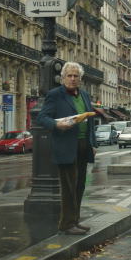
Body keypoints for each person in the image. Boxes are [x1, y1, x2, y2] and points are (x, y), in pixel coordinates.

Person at [37, 61, 98, 235]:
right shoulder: (55, 95)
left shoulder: (85, 95)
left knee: (80, 186)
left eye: (75, 76)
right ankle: (66, 224)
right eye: (69, 76)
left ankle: (75, 220)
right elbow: (42, 117)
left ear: (80, 79)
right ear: (63, 78)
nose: (72, 79)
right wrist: (57, 125)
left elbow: (90, 121)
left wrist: (93, 143)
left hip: (83, 145)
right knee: (69, 187)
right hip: (65, 146)